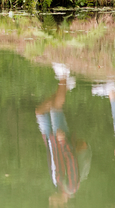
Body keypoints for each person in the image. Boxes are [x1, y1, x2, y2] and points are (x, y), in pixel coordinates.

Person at [36, 63, 91, 206]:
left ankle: (65, 87)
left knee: (40, 112)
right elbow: (71, 160)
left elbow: (53, 160)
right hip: (60, 140)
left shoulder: (58, 186)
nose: (50, 201)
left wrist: (47, 140)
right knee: (55, 108)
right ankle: (63, 75)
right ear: (61, 204)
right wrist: (62, 141)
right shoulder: (71, 187)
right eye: (53, 204)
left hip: (51, 139)